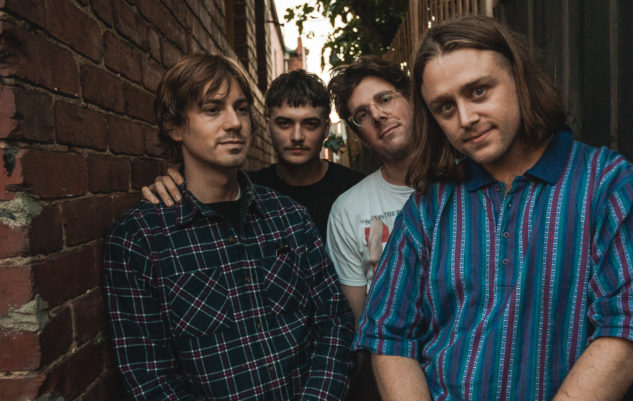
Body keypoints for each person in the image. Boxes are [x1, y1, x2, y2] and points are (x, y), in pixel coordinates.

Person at [354, 16, 633, 401]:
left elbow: (632, 322)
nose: (466, 119)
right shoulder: (427, 207)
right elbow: (388, 332)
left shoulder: (606, 183)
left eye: (479, 91)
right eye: (445, 107)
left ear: (519, 79)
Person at [103, 53, 355, 400]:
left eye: (241, 108)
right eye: (212, 109)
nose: (234, 122)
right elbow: (149, 377)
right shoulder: (140, 239)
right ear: (174, 126)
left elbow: (335, 323)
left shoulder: (290, 217)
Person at [142, 69, 364, 238]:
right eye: (284, 123)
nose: (297, 136)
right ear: (268, 126)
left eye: (310, 124)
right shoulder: (249, 191)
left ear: (326, 129)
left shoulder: (355, 189)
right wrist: (175, 185)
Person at [324, 56, 416, 401]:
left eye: (385, 99)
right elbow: (359, 322)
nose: (377, 115)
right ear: (359, 135)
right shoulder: (349, 209)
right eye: (362, 114)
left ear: (410, 98)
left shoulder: (464, 182)